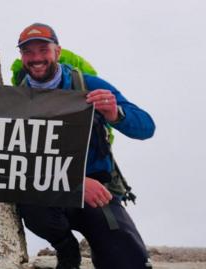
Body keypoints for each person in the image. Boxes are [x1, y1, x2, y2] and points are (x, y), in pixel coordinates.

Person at [14, 23, 155, 269]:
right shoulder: (11, 99)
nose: (36, 58)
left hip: (96, 190)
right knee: (32, 205)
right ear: (22, 57)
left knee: (129, 259)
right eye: (28, 52)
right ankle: (67, 251)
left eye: (43, 50)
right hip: (45, 190)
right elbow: (11, 163)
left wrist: (115, 113)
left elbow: (146, 127)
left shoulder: (87, 85)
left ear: (57, 52)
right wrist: (74, 183)